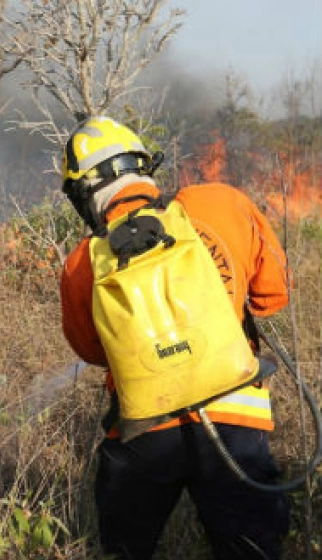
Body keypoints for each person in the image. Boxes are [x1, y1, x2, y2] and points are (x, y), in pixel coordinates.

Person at [58, 116, 291, 559]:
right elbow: (273, 295)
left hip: (143, 430)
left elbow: (92, 351)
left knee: (125, 550)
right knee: (251, 550)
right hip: (236, 417)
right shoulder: (221, 202)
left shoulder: (81, 264)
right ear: (143, 164)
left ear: (83, 194)